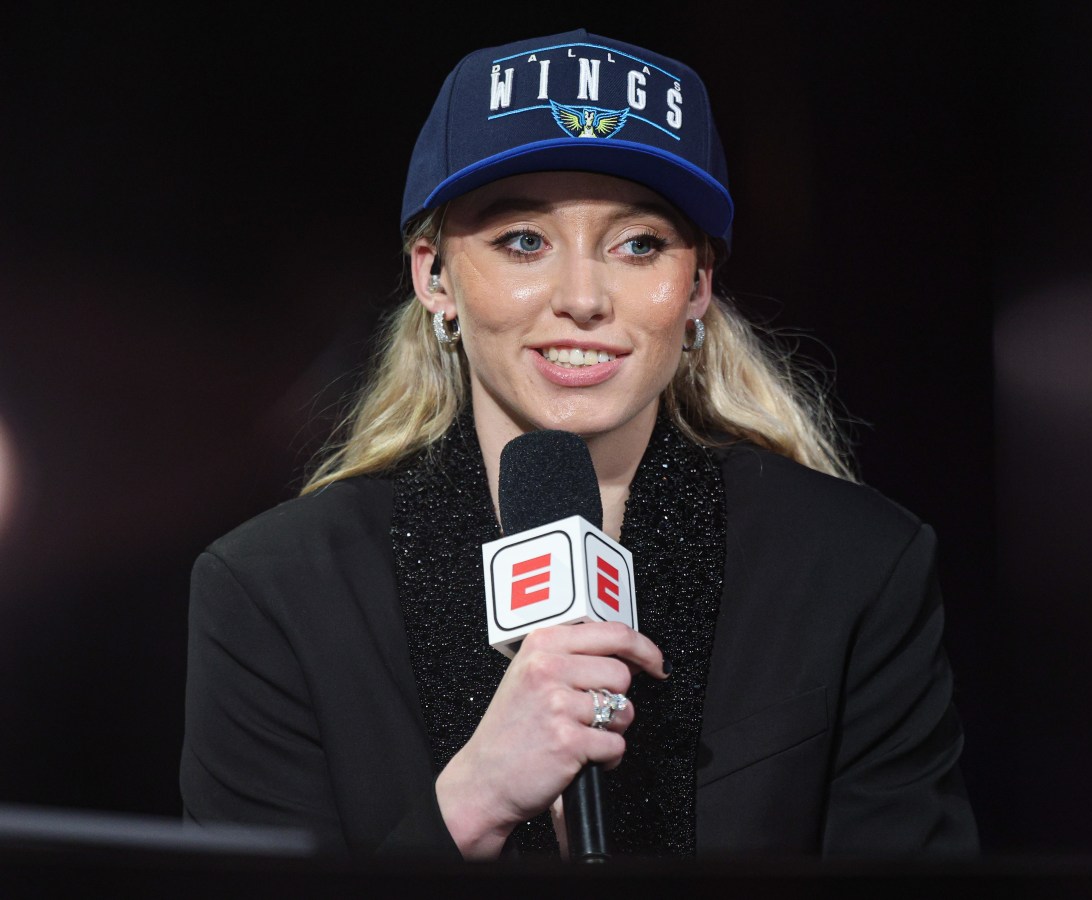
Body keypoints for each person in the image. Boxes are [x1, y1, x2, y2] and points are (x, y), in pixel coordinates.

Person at [180, 28, 978, 861]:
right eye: (523, 240)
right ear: (433, 276)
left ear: (698, 284)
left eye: (640, 245)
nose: (585, 298)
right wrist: (468, 805)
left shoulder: (852, 565)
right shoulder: (274, 592)